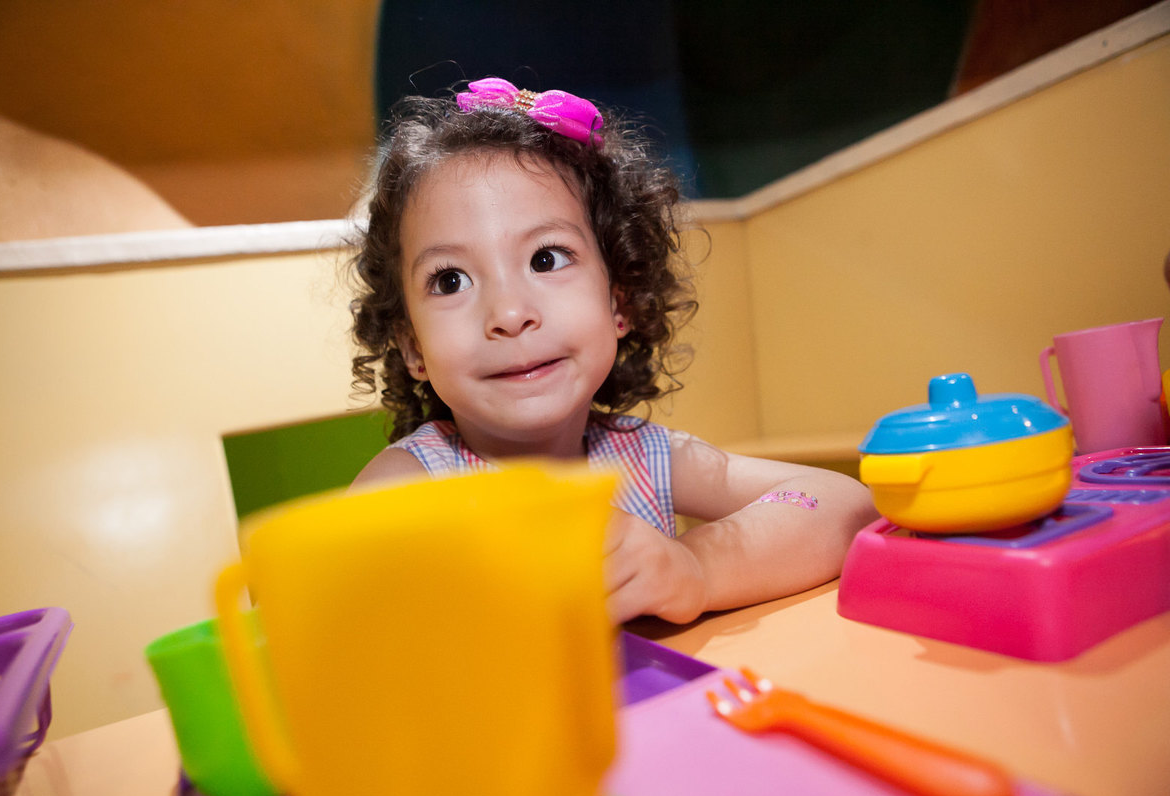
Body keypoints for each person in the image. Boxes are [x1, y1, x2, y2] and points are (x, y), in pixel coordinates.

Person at [349, 77, 876, 624]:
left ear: (618, 301)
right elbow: (341, 617)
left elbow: (841, 502)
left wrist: (695, 569)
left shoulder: (642, 458)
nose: (509, 314)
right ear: (412, 345)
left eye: (546, 258)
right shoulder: (408, 488)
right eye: (451, 280)